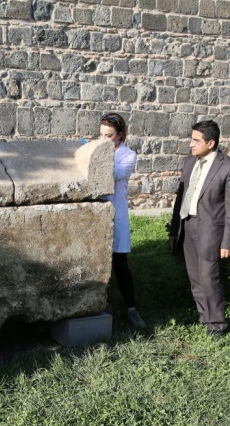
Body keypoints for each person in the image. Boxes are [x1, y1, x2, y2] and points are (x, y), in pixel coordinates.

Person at [169, 120, 230, 337]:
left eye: (195, 141)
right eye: (191, 139)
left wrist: (228, 241)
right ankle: (204, 316)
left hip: (211, 232)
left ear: (210, 143)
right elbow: (180, 198)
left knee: (209, 277)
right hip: (188, 226)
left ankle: (217, 324)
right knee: (195, 277)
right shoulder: (189, 162)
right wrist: (175, 230)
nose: (190, 145)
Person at [97, 113, 146, 329]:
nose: (104, 140)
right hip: (96, 213)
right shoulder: (99, 149)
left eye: (109, 136)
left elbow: (114, 174)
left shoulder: (129, 156)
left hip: (116, 214)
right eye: (101, 135)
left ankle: (131, 309)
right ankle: (100, 305)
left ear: (120, 135)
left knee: (120, 264)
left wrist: (95, 155)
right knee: (97, 262)